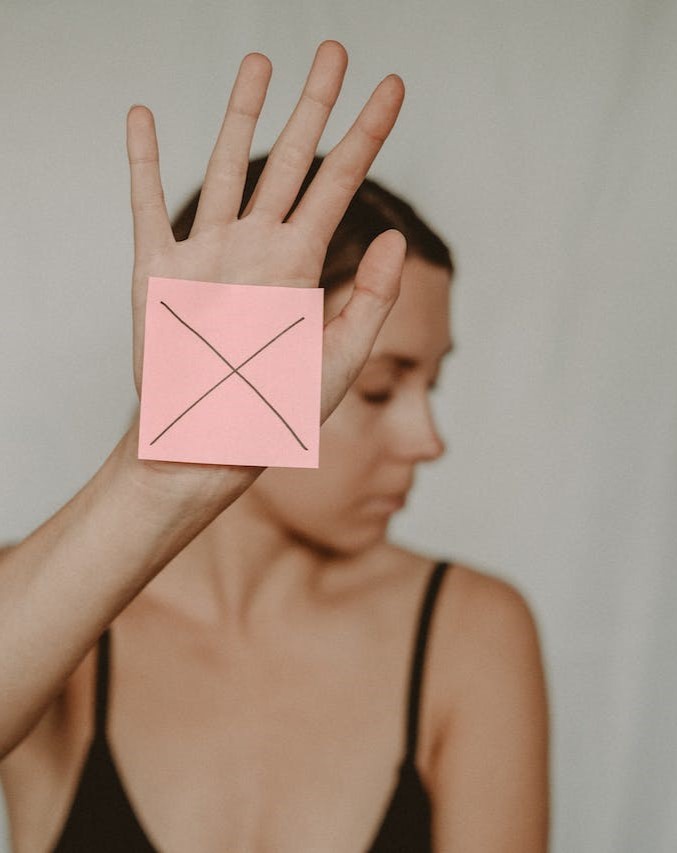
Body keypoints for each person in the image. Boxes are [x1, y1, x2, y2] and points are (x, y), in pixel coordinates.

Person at [0, 40, 549, 852]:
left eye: (429, 384)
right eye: (377, 386)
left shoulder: (468, 630)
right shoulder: (50, 615)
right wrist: (159, 477)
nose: (426, 439)